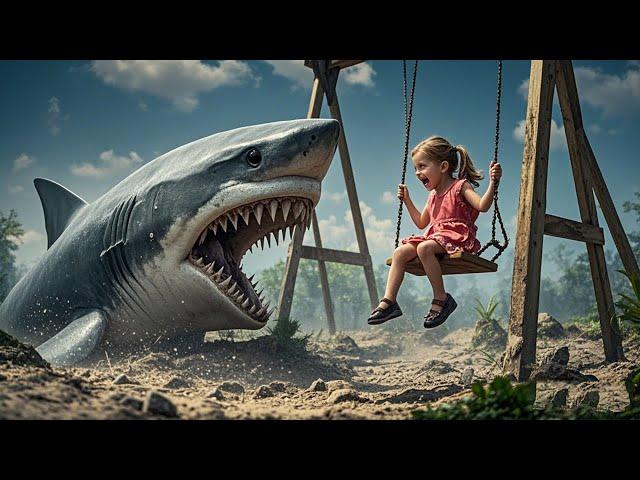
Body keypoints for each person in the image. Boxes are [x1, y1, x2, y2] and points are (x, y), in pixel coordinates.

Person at [368, 135, 503, 329]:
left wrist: (493, 183)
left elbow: (482, 206)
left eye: (422, 166)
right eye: (415, 168)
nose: (417, 172)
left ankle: (442, 298)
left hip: (457, 237)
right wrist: (407, 200)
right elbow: (422, 223)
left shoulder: (460, 186)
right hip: (436, 238)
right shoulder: (432, 195)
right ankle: (390, 302)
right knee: (400, 252)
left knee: (424, 249)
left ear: (443, 167)